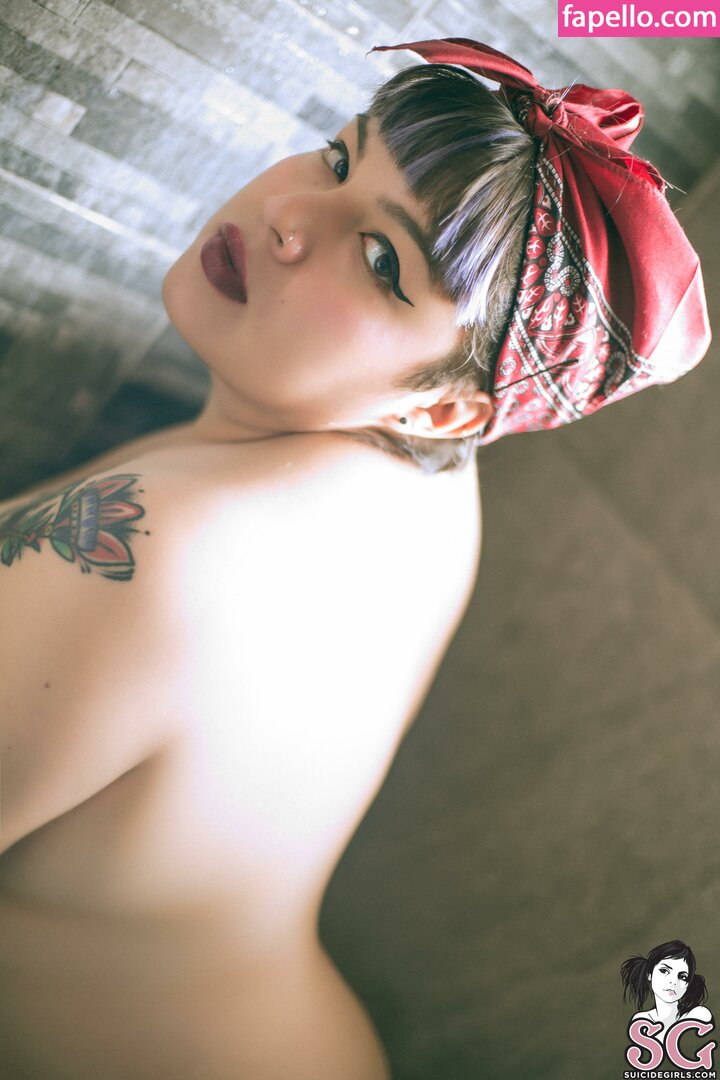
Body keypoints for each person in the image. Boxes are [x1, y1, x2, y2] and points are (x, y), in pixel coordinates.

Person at [0, 37, 710, 1080]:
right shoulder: (433, 484)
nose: (288, 214)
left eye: (382, 261)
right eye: (338, 158)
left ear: (446, 405)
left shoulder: (157, 550)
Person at [621, 940, 712, 1041]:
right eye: (664, 971)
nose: (673, 982)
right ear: (649, 974)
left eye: (682, 977)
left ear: (688, 984)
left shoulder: (698, 1015)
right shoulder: (641, 1021)